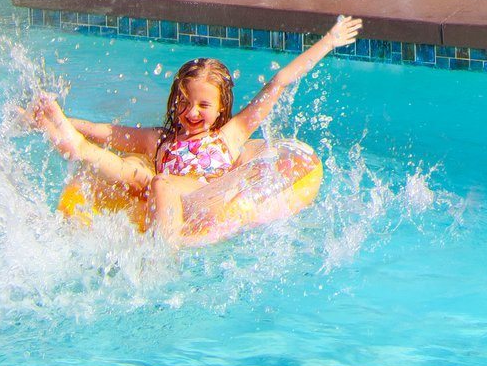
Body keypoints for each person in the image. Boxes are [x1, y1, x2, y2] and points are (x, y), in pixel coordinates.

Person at [24, 15, 360, 244]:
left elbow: (280, 81)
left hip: (204, 196)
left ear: (221, 107)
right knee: (137, 175)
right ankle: (72, 144)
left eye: (203, 105)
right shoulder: (160, 140)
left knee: (160, 181)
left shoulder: (229, 135)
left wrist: (329, 41)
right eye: (183, 103)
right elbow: (107, 132)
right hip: (158, 193)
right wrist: (64, 120)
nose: (191, 112)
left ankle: (161, 252)